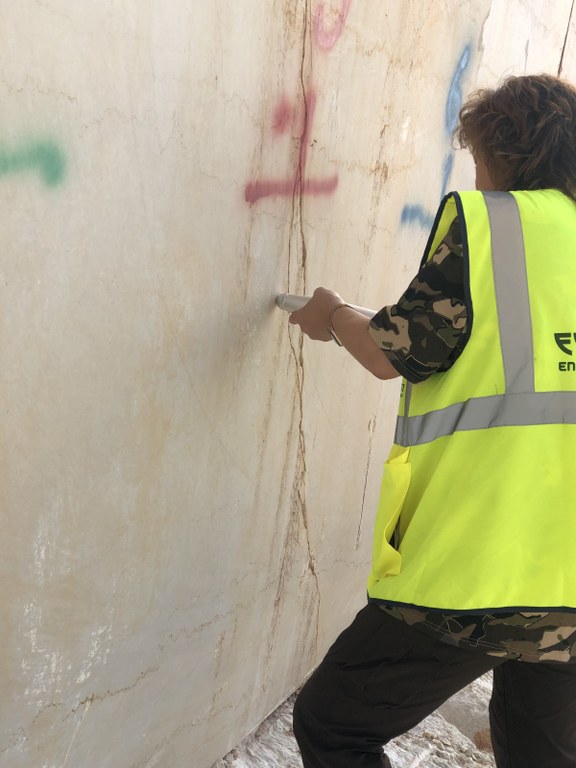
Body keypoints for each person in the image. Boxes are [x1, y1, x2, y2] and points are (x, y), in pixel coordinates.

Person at [287, 74, 576, 768]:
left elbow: (398, 352)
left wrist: (331, 313)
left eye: (477, 157)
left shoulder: (493, 226)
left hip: (479, 569)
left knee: (333, 726)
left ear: (506, 154)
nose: (475, 176)